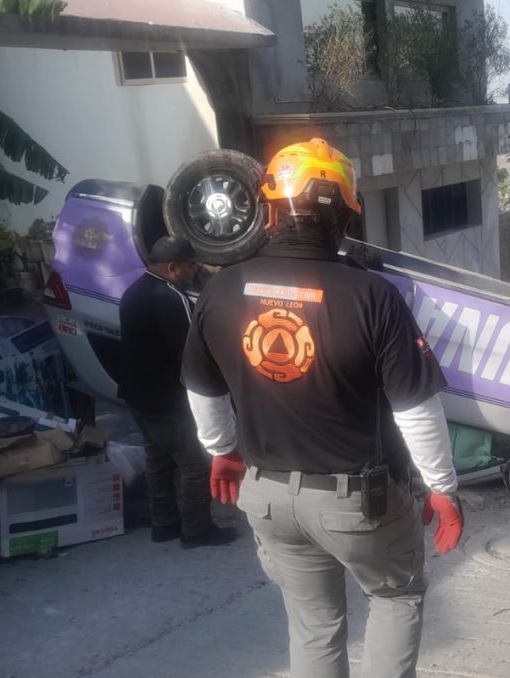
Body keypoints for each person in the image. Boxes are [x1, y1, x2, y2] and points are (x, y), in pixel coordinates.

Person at [181, 138, 463, 678]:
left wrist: (222, 451)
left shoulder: (221, 290)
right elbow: (416, 407)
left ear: (269, 211)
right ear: (344, 218)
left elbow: (202, 387)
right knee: (396, 597)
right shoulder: (372, 296)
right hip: (357, 504)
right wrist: (442, 488)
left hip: (268, 498)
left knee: (313, 625)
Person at [118, 236, 237, 549]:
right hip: (171, 401)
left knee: (157, 459)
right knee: (194, 464)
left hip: (140, 398)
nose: (194, 272)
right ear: (173, 267)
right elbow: (192, 355)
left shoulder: (132, 291)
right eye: (190, 267)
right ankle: (197, 531)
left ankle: (164, 523)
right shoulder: (172, 297)